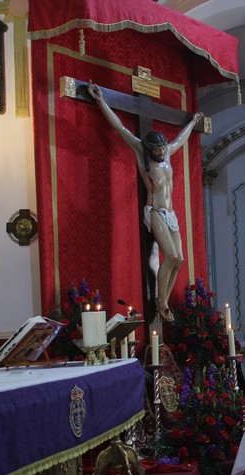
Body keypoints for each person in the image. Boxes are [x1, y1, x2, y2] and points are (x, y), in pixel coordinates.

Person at [88, 82, 204, 322]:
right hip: (155, 211)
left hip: (170, 213)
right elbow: (120, 128)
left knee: (180, 260)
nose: (161, 152)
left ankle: (163, 299)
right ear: (150, 149)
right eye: (157, 150)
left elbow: (181, 139)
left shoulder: (167, 152)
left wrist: (192, 123)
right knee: (170, 255)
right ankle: (161, 302)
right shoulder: (142, 154)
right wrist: (101, 101)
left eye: (162, 148)